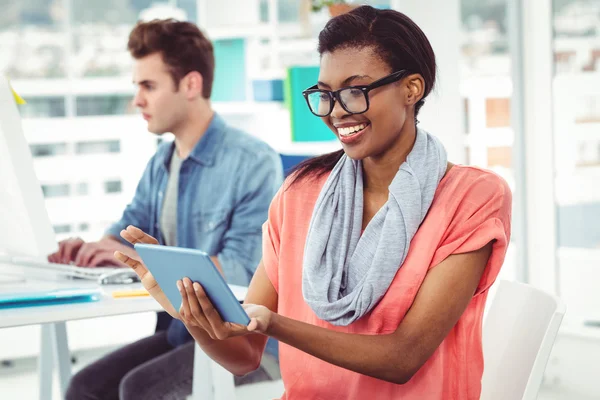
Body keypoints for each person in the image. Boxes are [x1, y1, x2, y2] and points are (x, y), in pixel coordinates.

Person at [117, 6, 512, 400]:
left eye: (356, 91)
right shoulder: (299, 195)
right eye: (325, 95)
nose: (337, 111)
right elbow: (244, 356)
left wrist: (273, 324)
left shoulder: (471, 198)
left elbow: (403, 358)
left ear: (412, 88)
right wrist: (190, 312)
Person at [60, 19, 283, 400]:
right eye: (137, 87)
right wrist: (97, 250)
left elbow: (243, 273)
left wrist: (139, 259)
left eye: (149, 86)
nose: (138, 100)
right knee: (85, 387)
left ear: (191, 85)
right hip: (181, 333)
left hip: (248, 345)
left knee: (139, 390)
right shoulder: (161, 162)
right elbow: (126, 230)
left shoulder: (253, 161)